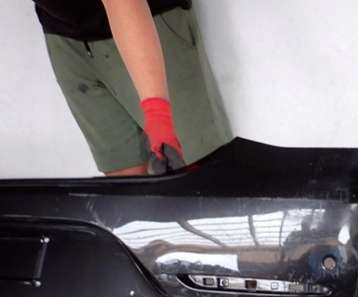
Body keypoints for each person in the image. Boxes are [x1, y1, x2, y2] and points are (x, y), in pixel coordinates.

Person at [33, 0, 232, 175]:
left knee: (196, 171)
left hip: (143, 22)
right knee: (126, 178)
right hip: (66, 35)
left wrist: (158, 113)